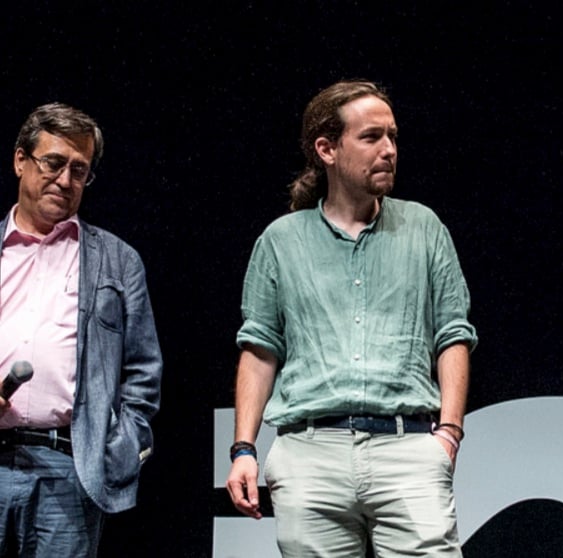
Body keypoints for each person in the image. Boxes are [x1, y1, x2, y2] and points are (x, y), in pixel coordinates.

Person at [225, 80, 477, 557]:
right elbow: (259, 349)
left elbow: (453, 336)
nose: (389, 150)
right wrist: (243, 448)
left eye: (393, 137)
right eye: (371, 137)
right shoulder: (281, 240)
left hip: (407, 448)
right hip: (310, 451)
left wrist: (448, 433)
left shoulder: (423, 227)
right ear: (327, 148)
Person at [0, 102, 163, 556]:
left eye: (80, 170)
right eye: (53, 163)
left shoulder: (118, 260)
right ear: (20, 160)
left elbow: (143, 371)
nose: (66, 180)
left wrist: (121, 445)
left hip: (68, 469)